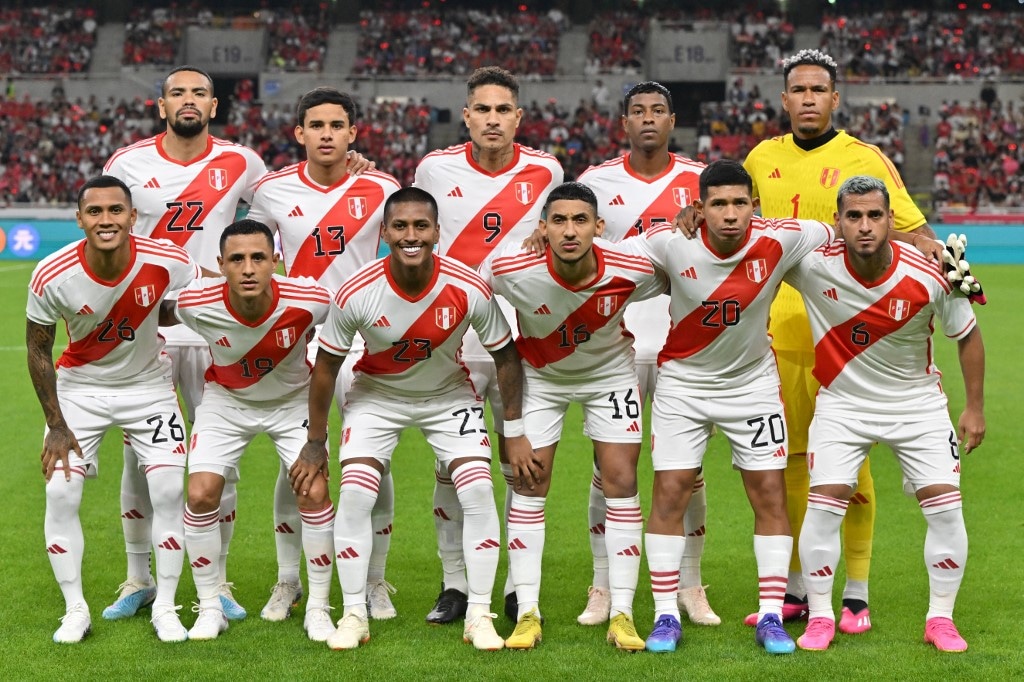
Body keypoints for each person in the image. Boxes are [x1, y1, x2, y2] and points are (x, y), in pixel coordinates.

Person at [679, 49, 938, 631]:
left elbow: (915, 232)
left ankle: (857, 591)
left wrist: (944, 265)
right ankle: (797, 587)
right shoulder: (760, 158)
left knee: (851, 464)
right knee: (790, 461)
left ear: (834, 98)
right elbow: (734, 222)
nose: (808, 99)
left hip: (850, 335)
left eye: (819, 90)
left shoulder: (862, 159)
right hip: (776, 332)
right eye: (798, 90)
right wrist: (693, 218)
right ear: (784, 98)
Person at [627, 159, 853, 655]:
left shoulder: (783, 237)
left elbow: (846, 228)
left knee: (769, 494)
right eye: (718, 204)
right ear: (699, 207)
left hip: (751, 385)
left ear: (754, 203)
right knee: (670, 492)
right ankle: (666, 615)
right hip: (683, 384)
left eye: (739, 203)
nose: (730, 215)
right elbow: (604, 260)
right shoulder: (669, 241)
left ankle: (770, 616)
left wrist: (922, 245)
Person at [294, 187, 531, 651]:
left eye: (421, 226)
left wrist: (515, 430)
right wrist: (316, 441)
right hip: (376, 397)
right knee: (358, 494)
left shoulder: (468, 286)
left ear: (438, 232)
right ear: (383, 232)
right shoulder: (357, 290)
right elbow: (325, 368)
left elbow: (506, 356)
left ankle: (479, 615)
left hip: (448, 397)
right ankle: (354, 615)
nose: (411, 235)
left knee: (479, 488)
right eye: (400, 226)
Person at [786, 176, 984, 652]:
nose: (865, 225)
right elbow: (748, 240)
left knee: (945, 506)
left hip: (917, 404)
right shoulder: (812, 264)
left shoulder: (934, 270)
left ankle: (940, 619)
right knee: (825, 501)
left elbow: (969, 337)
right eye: (853, 216)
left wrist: (974, 407)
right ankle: (821, 616)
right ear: (838, 222)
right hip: (842, 404)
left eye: (875, 215)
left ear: (891, 220)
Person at [102, 65, 267, 622]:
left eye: (199, 92)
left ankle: (215, 581)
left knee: (219, 461)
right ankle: (137, 577)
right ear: (161, 104)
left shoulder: (242, 162)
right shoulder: (126, 163)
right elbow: (110, 234)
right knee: (137, 459)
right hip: (146, 331)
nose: (188, 100)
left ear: (214, 105)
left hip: (215, 329)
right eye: (178, 93)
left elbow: (283, 216)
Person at [482, 182, 664, 651]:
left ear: (599, 228)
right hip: (542, 378)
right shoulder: (509, 268)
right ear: (542, 228)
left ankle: (622, 612)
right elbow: (473, 294)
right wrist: (513, 427)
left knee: (622, 480)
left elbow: (683, 267)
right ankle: (526, 614)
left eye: (580, 220)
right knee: (529, 484)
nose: (569, 230)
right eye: (558, 220)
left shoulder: (631, 266)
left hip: (610, 377)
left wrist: (690, 223)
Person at [246, 86, 401, 623]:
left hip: (365, 338)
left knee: (371, 462)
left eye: (338, 125)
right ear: (299, 133)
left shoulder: (382, 187)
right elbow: (250, 257)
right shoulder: (269, 190)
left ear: (353, 133)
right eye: (317, 125)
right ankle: (288, 580)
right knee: (297, 461)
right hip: (299, 340)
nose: (327, 134)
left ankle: (376, 581)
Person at [414, 65, 563, 624]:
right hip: (449, 334)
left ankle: (514, 584)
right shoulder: (435, 167)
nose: (494, 119)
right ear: (467, 115)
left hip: (520, 336)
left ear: (518, 117)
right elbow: (414, 230)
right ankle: (455, 583)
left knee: (516, 462)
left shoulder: (546, 170)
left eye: (504, 110)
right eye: (484, 109)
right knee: (450, 466)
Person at [26, 175, 200, 643]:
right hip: (79, 391)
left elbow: (186, 304)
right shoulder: (51, 272)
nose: (107, 219)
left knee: (166, 491)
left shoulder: (170, 260)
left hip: (149, 388)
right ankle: (75, 609)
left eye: (115, 210)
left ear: (132, 216)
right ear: (80, 218)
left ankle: (165, 605)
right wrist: (56, 425)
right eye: (96, 212)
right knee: (61, 494)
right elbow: (39, 350)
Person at [576, 81, 718, 628]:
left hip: (686, 342)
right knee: (607, 470)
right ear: (624, 123)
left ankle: (690, 584)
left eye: (658, 110)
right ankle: (603, 584)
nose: (649, 119)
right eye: (638, 111)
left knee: (688, 471)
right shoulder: (595, 182)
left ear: (672, 120)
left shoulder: (700, 182)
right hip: (615, 341)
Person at [163, 220, 336, 642]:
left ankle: (317, 606)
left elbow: (336, 336)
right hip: (227, 402)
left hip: (291, 400)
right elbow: (154, 311)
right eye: (236, 259)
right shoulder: (196, 303)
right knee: (201, 493)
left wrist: (317, 439)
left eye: (258, 257)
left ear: (276, 261)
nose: (248, 268)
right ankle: (208, 608)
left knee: (313, 492)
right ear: (220, 265)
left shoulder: (312, 299)